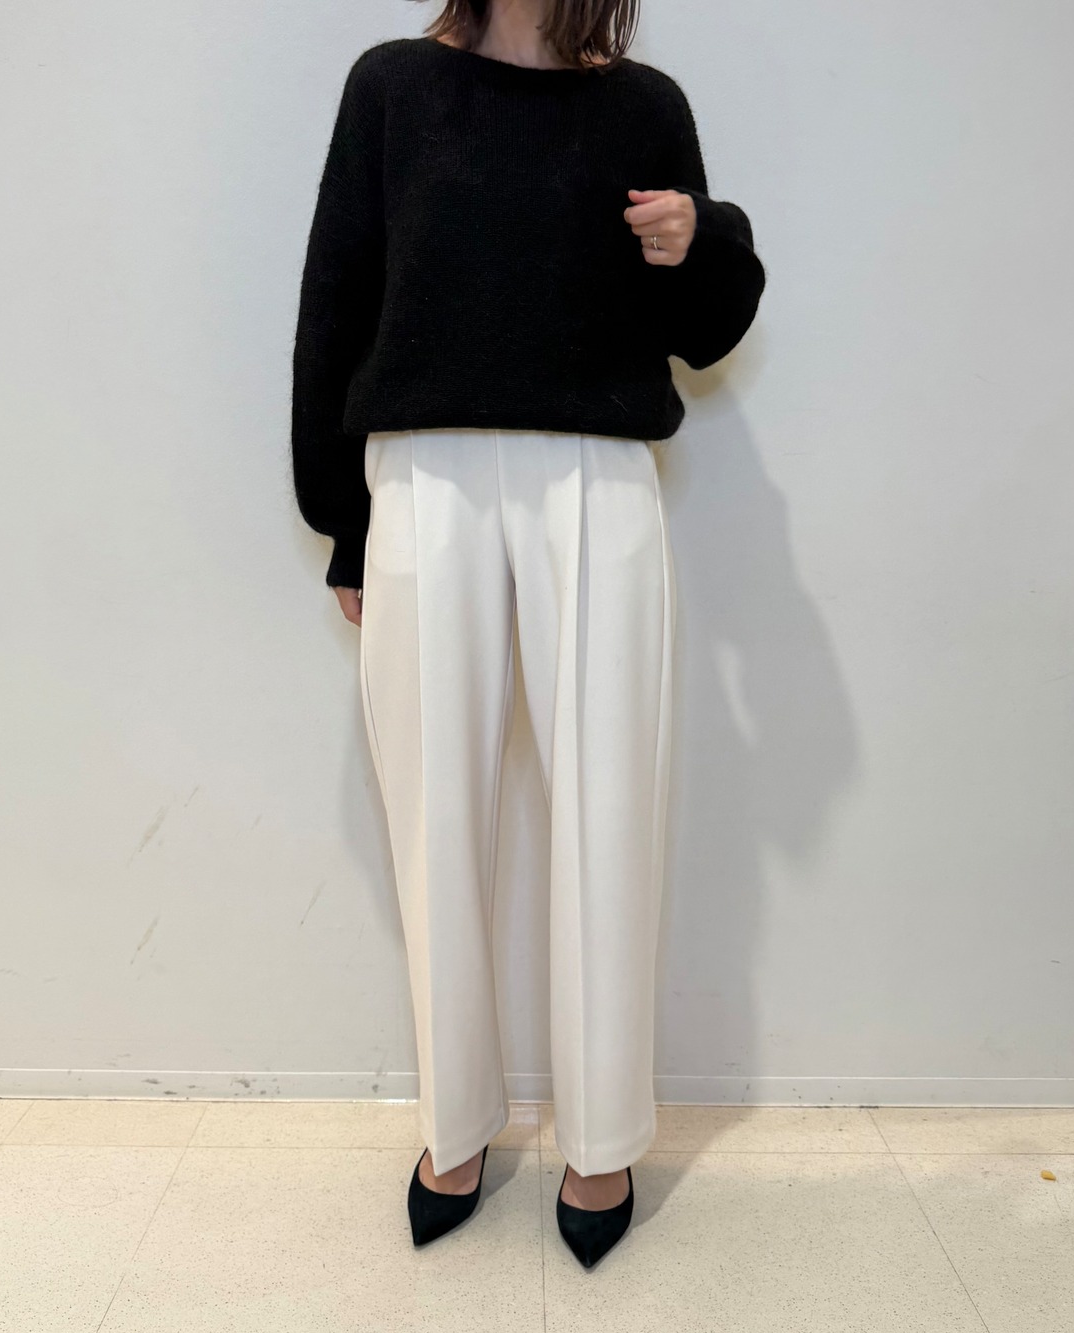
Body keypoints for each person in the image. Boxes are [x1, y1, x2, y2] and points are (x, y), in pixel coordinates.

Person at [290, 0, 765, 1268]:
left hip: (595, 473)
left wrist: (700, 238)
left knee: (607, 804)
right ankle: (455, 1121)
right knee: (433, 806)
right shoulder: (392, 88)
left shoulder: (641, 106)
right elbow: (337, 297)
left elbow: (707, 328)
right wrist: (343, 521)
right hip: (423, 475)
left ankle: (600, 1133)